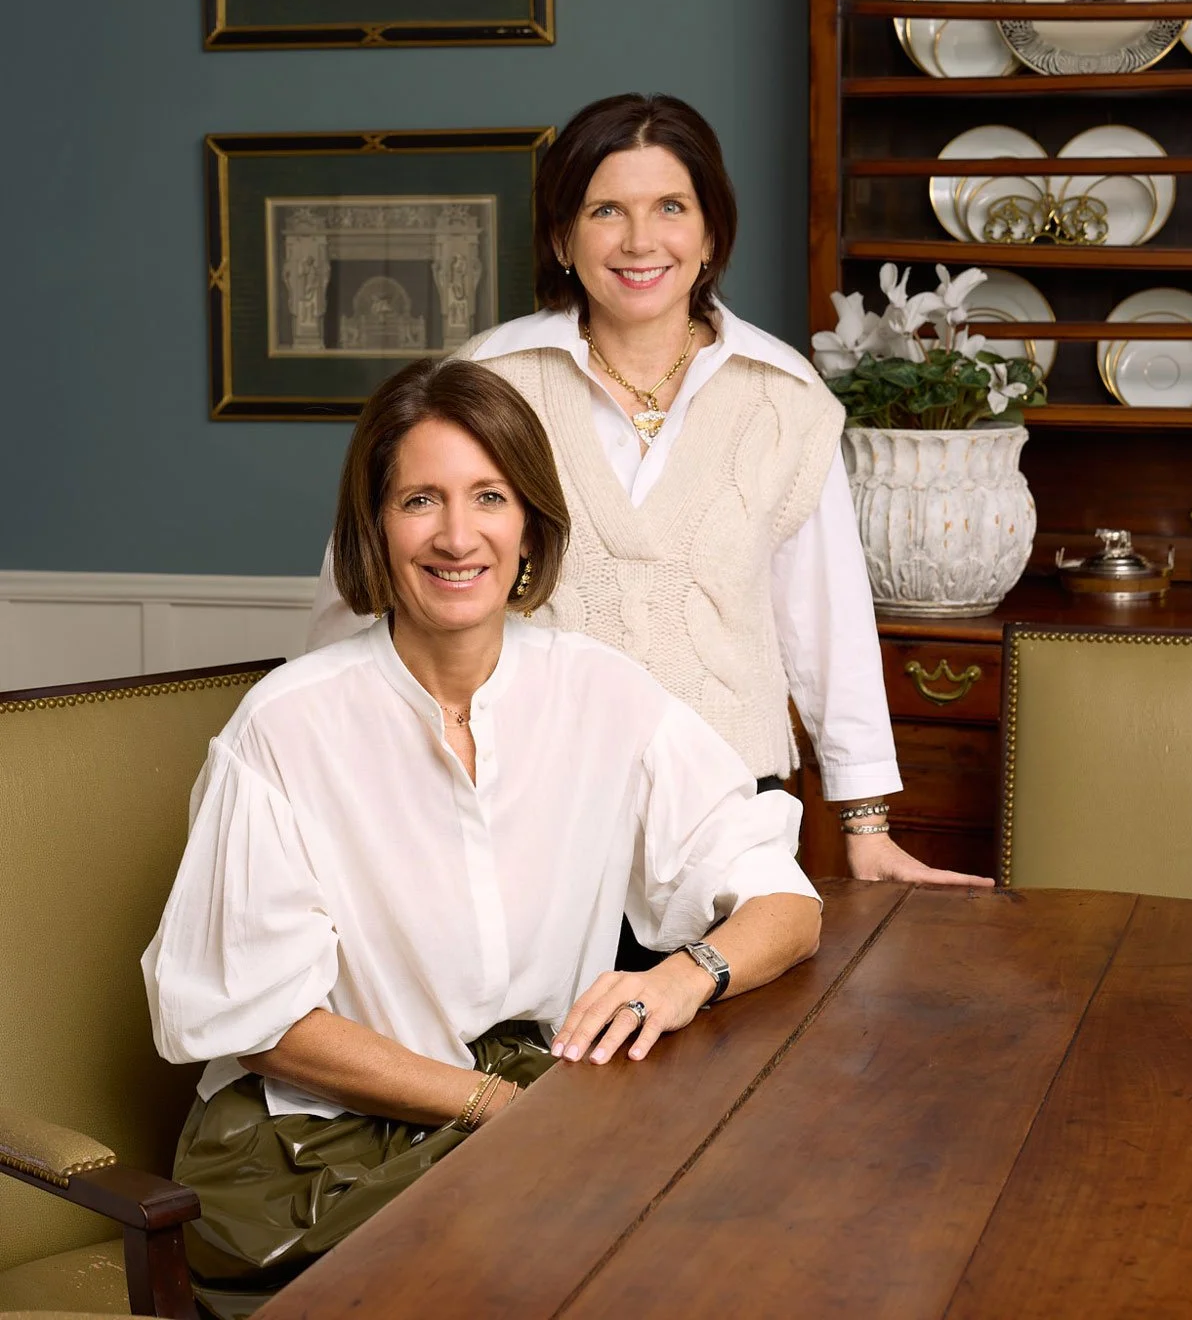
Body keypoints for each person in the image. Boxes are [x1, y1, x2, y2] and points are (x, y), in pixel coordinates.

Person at [143, 359, 821, 1320]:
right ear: (376, 526)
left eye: (489, 497)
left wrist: (682, 975)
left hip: (525, 1116)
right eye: (421, 499)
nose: (458, 537)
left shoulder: (602, 692)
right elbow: (263, 1024)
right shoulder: (285, 727)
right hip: (311, 1152)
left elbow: (784, 902)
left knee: (736, 1244)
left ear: (530, 525)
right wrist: (496, 1111)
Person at [309, 92, 990, 895]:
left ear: (710, 233)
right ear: (563, 236)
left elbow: (825, 626)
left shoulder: (786, 398)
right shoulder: (486, 382)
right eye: (606, 210)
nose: (640, 241)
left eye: (671, 206)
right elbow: (357, 594)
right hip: (522, 816)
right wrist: (337, 789)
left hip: (729, 816)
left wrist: (866, 826)